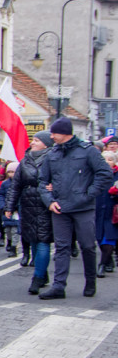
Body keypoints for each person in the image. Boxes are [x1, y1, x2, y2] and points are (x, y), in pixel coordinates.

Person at [37, 117, 113, 299]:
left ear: (64, 133)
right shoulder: (52, 154)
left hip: (84, 208)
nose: (51, 136)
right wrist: (49, 201)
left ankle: (90, 282)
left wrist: (88, 194)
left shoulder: (87, 151)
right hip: (59, 208)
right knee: (62, 248)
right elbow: (42, 181)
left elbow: (105, 174)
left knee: (87, 246)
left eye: (54, 132)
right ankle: (58, 286)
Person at [4, 131, 54, 294]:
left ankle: (38, 277)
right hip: (27, 204)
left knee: (43, 241)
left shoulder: (53, 158)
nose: (32, 142)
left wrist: (55, 188)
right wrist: (9, 206)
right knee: (32, 239)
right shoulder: (26, 160)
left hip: (45, 204)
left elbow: (63, 179)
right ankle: (43, 272)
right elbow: (15, 185)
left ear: (46, 144)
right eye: (33, 140)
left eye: (37, 140)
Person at [94, 151, 118, 278]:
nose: (107, 161)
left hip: (112, 212)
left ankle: (102, 265)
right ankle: (108, 260)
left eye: (110, 159)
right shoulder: (94, 174)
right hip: (97, 211)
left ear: (114, 162)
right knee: (99, 238)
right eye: (104, 159)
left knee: (108, 239)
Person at [0, 163, 20, 257]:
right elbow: (1, 195)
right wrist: (3, 206)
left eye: (13, 172)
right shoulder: (5, 183)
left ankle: (14, 247)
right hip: (7, 209)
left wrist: (17, 207)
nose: (11, 174)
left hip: (16, 210)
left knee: (15, 230)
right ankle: (9, 241)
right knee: (8, 229)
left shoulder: (20, 183)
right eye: (10, 172)